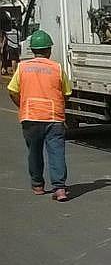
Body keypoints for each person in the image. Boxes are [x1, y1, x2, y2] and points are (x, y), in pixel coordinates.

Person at [9, 29, 72, 201]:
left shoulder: (22, 67)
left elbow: (13, 91)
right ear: (49, 50)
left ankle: (37, 185)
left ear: (32, 50)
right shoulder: (57, 68)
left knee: (34, 152)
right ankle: (60, 188)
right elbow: (66, 93)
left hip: (30, 117)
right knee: (56, 152)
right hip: (54, 118)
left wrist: (22, 105)